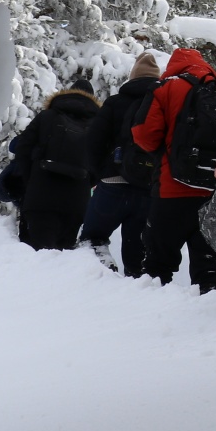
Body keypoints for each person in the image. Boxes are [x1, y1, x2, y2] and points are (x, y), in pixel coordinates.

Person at [132, 47, 216, 292]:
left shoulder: (165, 88)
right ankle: (208, 320)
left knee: (157, 268)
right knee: (212, 272)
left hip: (171, 191)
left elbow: (145, 137)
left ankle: (150, 317)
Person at [79, 52, 160, 275]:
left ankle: (99, 279)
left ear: (132, 77)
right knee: (138, 251)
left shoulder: (116, 102)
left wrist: (100, 173)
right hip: (148, 187)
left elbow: (94, 140)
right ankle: (134, 290)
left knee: (93, 239)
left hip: (113, 183)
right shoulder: (162, 105)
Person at [8, 79, 102, 251]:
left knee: (35, 254)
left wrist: (32, 178)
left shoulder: (47, 117)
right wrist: (85, 180)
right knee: (60, 260)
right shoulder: (98, 126)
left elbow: (22, 148)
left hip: (40, 195)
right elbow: (101, 163)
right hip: (76, 199)